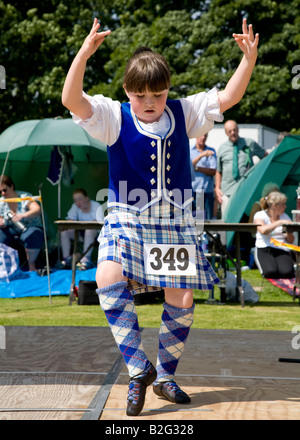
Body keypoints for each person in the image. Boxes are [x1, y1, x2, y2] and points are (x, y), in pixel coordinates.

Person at [62, 17, 259, 416]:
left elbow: (229, 97)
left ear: (168, 90)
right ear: (127, 92)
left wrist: (248, 59)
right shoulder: (113, 116)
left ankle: (165, 378)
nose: (150, 101)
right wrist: (83, 53)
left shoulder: (184, 112)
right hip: (126, 212)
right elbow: (71, 99)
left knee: (182, 297)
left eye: (158, 92)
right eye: (141, 95)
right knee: (107, 276)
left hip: (175, 217)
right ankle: (139, 371)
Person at [215, 120, 267, 216]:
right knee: (227, 219)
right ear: (226, 133)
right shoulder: (222, 148)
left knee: (244, 218)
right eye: (230, 131)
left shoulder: (249, 143)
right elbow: (219, 171)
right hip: (227, 191)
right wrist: (217, 188)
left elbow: (265, 156)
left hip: (245, 189)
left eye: (234, 130)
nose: (233, 133)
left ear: (238, 129)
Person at [0, 175, 44, 271]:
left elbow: (37, 209)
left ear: (11, 186)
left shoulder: (24, 197)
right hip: (11, 228)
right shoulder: (2, 202)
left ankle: (31, 265)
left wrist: (23, 215)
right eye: (0, 192)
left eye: (4, 190)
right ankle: (4, 267)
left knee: (33, 234)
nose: (3, 193)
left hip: (30, 226)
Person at [59, 188, 103, 270]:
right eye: (75, 200)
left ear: (87, 198)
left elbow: (97, 223)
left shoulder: (96, 206)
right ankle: (67, 259)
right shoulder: (75, 207)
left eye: (80, 199)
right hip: (81, 234)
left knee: (89, 230)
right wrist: (70, 223)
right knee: (64, 232)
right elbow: (70, 218)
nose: (77, 203)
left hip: (96, 236)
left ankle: (86, 260)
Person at [253, 191, 295, 279]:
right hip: (265, 247)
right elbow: (263, 230)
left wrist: (289, 231)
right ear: (274, 206)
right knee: (270, 272)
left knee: (287, 272)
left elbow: (290, 240)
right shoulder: (260, 215)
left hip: (281, 248)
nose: (285, 206)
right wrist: (279, 223)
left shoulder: (285, 216)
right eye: (283, 204)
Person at [189, 134, 217, 219]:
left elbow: (213, 171)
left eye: (205, 136)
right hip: (194, 190)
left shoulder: (211, 150)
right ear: (196, 136)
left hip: (207, 190)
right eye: (201, 135)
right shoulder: (189, 150)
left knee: (208, 219)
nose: (203, 138)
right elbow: (189, 166)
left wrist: (196, 168)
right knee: (196, 219)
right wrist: (202, 155)